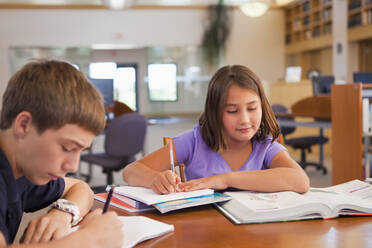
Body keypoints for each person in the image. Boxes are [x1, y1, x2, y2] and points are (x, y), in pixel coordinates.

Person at [123, 65, 309, 194]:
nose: (244, 119)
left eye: (252, 108)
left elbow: (300, 181)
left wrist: (225, 180)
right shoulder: (194, 141)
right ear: (215, 112)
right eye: (232, 111)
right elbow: (131, 171)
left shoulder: (265, 147)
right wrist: (155, 178)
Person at [0, 60, 123, 247]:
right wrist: (89, 239)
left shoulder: (24, 167)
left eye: (80, 151)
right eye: (66, 148)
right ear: (24, 125)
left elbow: (81, 188)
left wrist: (64, 213)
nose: (73, 166)